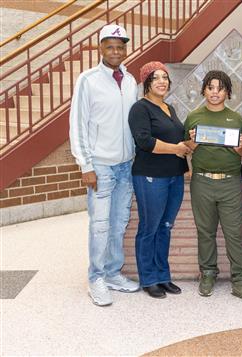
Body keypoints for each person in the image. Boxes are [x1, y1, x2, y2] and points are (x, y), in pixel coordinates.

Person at [69, 24, 140, 306]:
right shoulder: (88, 80)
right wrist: (85, 164)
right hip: (100, 165)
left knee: (119, 222)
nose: (115, 51)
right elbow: (77, 124)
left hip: (125, 165)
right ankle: (96, 277)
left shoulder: (132, 80)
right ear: (101, 48)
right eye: (110, 46)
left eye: (120, 46)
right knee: (99, 224)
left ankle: (112, 273)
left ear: (125, 49)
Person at [184, 70, 242, 304]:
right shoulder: (194, 117)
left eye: (220, 88)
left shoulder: (236, 119)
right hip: (202, 182)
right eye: (210, 87)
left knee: (235, 233)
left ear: (227, 92)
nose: (215, 92)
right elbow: (186, 148)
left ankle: (240, 281)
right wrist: (192, 143)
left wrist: (240, 149)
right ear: (204, 90)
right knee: (205, 231)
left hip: (230, 182)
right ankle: (208, 273)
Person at [128, 62, 191, 299]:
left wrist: (190, 139)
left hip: (174, 175)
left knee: (165, 227)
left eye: (165, 77)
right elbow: (144, 141)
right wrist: (176, 148)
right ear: (146, 83)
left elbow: (177, 137)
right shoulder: (140, 109)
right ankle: (149, 278)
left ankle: (163, 276)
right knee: (149, 228)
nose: (162, 81)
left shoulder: (169, 108)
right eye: (156, 78)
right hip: (150, 176)